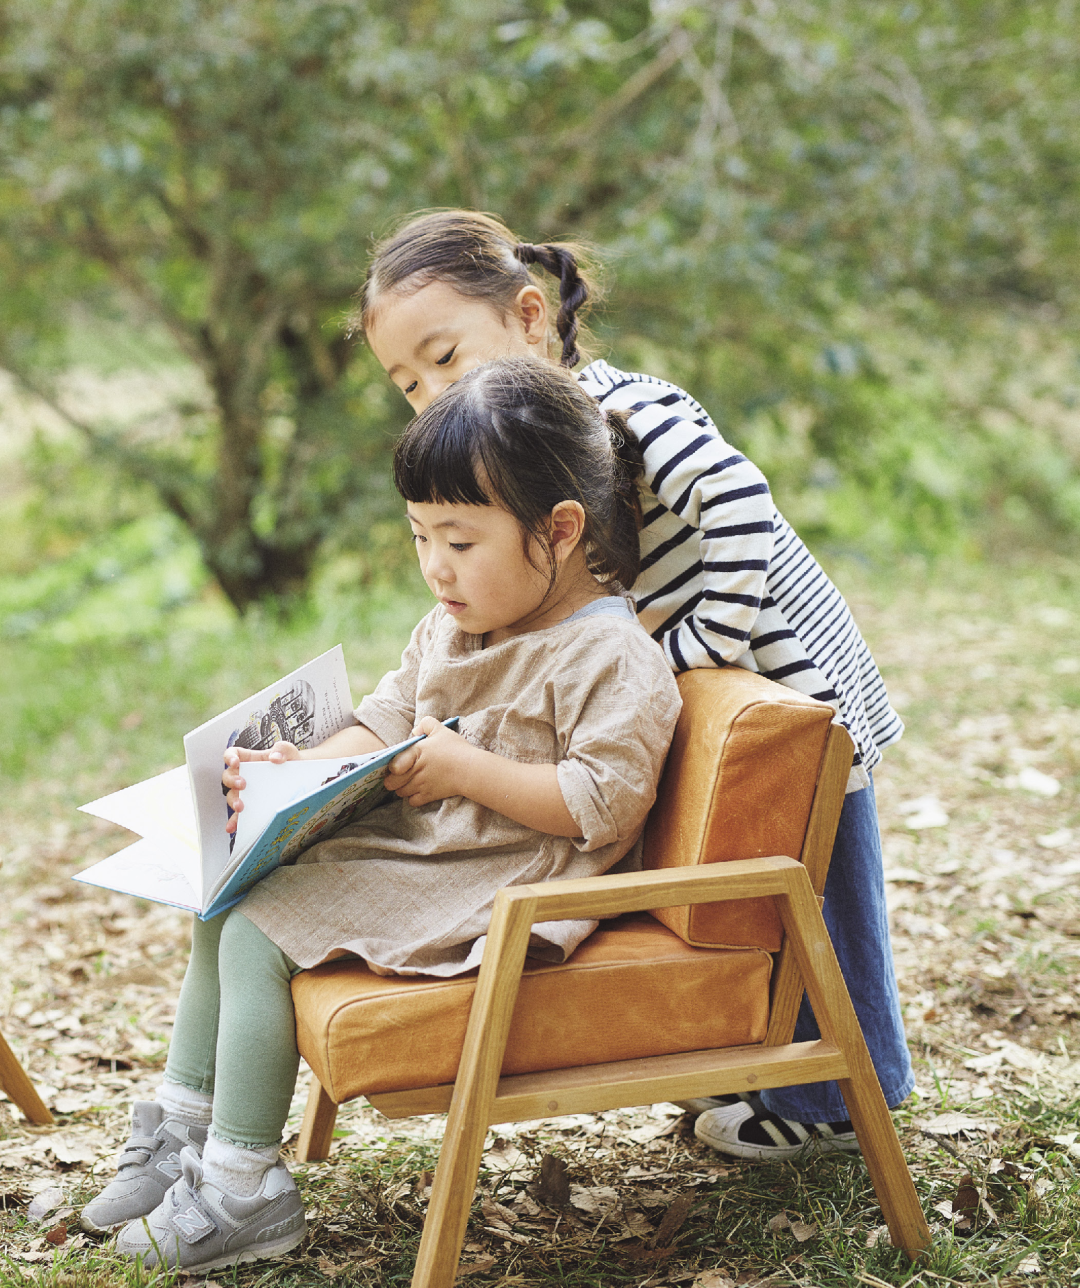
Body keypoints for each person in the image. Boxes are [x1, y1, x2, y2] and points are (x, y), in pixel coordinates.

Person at [80, 356, 683, 1272]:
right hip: (434, 849)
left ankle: (245, 1191)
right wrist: (301, 770)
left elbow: (602, 804)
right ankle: (182, 1142)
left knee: (257, 928)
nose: (435, 566)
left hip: (506, 883)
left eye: (460, 540)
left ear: (560, 531)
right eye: (418, 536)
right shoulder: (457, 621)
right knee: (222, 893)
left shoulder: (612, 657)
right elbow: (392, 713)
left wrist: (466, 770)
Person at [355, 209, 914, 1163]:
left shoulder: (626, 412)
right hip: (717, 679)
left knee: (828, 874)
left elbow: (739, 497)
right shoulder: (530, 455)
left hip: (791, 676)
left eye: (446, 358)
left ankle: (848, 1093)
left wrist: (700, 640)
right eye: (409, 383)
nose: (431, 392)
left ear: (530, 319)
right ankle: (769, 1065)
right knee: (748, 878)